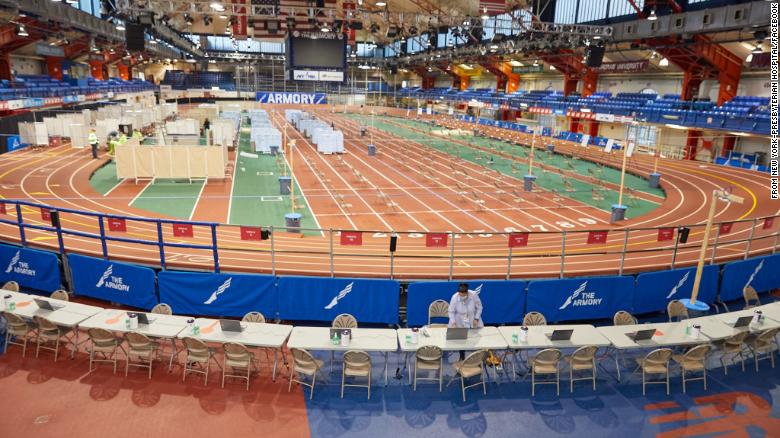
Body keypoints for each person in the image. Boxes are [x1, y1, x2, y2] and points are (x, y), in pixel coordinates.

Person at [448, 282, 484, 360]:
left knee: (475, 339)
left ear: (467, 292)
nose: (462, 296)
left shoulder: (473, 295)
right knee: (461, 340)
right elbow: (451, 311)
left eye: (464, 295)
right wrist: (453, 322)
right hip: (459, 321)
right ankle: (462, 357)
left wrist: (476, 318)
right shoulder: (454, 297)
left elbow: (480, 307)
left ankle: (477, 358)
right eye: (460, 294)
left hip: (472, 319)